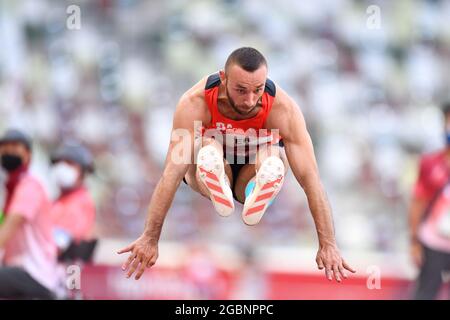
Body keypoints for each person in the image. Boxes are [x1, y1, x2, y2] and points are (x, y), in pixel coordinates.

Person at [118, 47, 356, 282]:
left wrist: (328, 244)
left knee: (273, 155)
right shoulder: (194, 103)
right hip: (208, 165)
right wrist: (151, 236)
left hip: (251, 171)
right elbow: (172, 172)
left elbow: (311, 180)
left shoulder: (284, 110)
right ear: (223, 78)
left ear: (266, 81)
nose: (249, 100)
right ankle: (215, 177)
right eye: (240, 90)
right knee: (205, 147)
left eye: (257, 90)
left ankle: (257, 185)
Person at [0, 129, 58, 299]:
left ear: (28, 155)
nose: (9, 150)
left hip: (35, 273)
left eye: (15, 146)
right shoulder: (10, 189)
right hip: (18, 270)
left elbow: (6, 231)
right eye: (5, 146)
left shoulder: (29, 186)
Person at [409, 103, 450, 300]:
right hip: (433, 243)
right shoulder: (431, 163)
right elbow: (418, 202)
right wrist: (414, 242)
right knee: (426, 293)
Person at [49, 143, 96, 262]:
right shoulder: (58, 201)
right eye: (59, 162)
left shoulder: (81, 202)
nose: (62, 167)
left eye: (69, 163)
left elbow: (59, 244)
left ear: (83, 171)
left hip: (66, 272)